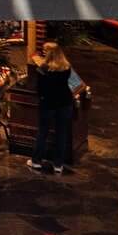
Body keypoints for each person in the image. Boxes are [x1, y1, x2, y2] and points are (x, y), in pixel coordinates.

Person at [28, 41, 78, 174]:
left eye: (44, 51)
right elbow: (74, 84)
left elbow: (39, 89)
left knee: (43, 132)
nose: (42, 53)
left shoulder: (43, 68)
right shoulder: (67, 67)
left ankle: (36, 161)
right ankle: (58, 164)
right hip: (64, 103)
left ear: (49, 53)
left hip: (48, 104)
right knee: (61, 134)